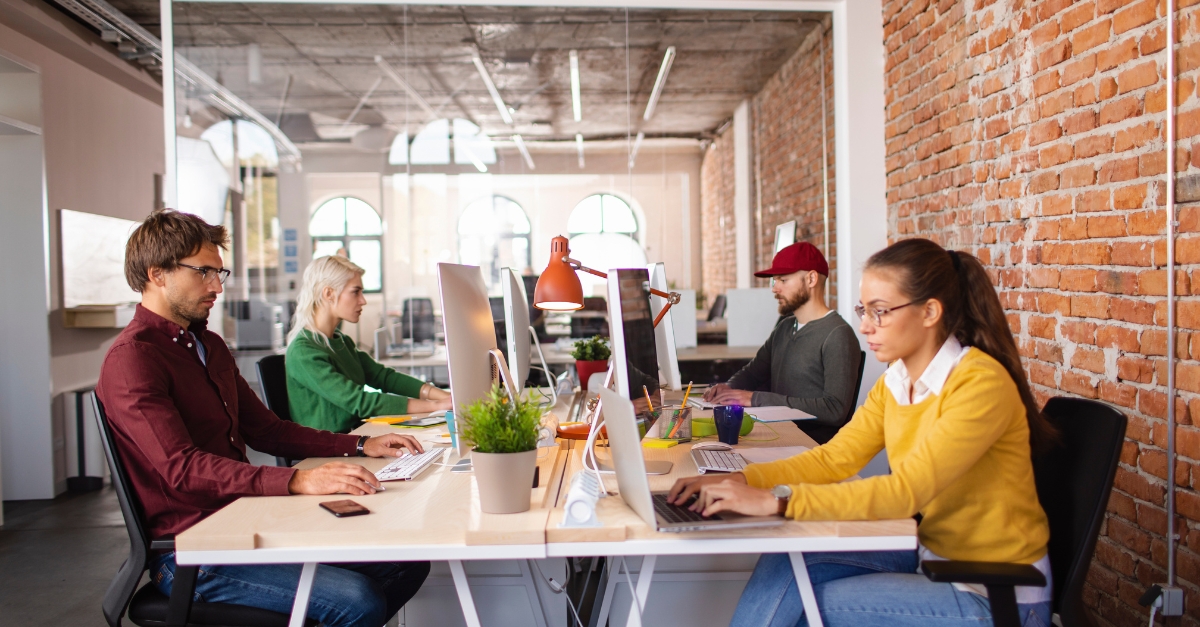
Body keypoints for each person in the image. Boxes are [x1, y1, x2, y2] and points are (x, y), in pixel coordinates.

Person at [670, 238, 1057, 627]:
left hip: (993, 595)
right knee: (790, 560)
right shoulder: (898, 379)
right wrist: (740, 479)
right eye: (863, 310)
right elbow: (836, 457)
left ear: (930, 312)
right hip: (931, 555)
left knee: (808, 600)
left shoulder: (978, 384)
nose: (865, 326)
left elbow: (906, 492)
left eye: (880, 312)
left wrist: (777, 502)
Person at [96, 210, 430, 627]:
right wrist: (297, 479)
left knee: (406, 564)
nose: (217, 286)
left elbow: (267, 430)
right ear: (157, 274)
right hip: (193, 550)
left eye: (220, 272)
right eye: (204, 272)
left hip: (243, 519)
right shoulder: (133, 359)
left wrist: (361, 444)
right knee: (356, 601)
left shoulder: (208, 345)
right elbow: (182, 468)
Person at [704, 242, 861, 443]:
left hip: (808, 447)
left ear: (811, 279)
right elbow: (753, 374)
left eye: (783, 280)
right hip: (777, 434)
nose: (775, 288)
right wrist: (727, 389)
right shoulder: (785, 327)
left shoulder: (838, 335)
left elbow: (834, 409)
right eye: (775, 280)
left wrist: (754, 399)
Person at [285, 255, 452, 434]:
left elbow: (383, 377)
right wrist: (435, 405)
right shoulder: (304, 351)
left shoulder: (340, 341)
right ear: (328, 294)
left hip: (355, 436)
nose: (363, 300)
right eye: (355, 292)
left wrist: (446, 397)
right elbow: (360, 402)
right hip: (328, 451)